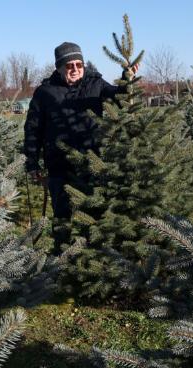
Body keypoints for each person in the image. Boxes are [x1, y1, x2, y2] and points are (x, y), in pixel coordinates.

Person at [23, 42, 138, 253]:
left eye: (79, 64)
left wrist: (127, 78)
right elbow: (33, 130)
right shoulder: (45, 92)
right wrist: (32, 163)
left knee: (93, 216)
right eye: (69, 65)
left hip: (92, 164)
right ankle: (61, 258)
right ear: (59, 67)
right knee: (62, 218)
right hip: (60, 167)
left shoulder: (95, 84)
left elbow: (118, 97)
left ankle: (92, 256)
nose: (75, 69)